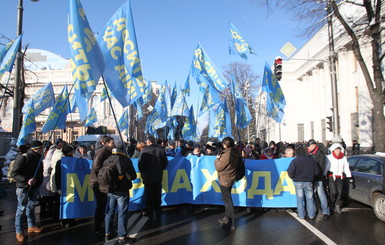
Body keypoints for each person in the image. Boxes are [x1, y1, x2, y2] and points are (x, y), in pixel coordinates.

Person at [10, 140, 44, 242]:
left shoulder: (38, 157)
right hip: (23, 187)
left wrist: (38, 181)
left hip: (34, 186)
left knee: (31, 206)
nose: (43, 150)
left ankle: (31, 225)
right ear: (36, 149)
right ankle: (19, 231)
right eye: (41, 148)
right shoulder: (23, 157)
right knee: (21, 209)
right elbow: (14, 174)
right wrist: (27, 180)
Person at [104, 143, 137, 244]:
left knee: (109, 211)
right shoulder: (125, 160)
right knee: (122, 212)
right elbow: (132, 176)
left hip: (110, 189)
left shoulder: (108, 159)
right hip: (121, 190)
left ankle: (108, 233)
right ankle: (122, 235)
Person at [89, 136, 115, 236]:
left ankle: (104, 225)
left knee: (104, 205)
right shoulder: (102, 152)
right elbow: (96, 167)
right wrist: (109, 170)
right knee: (100, 206)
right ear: (106, 143)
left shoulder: (107, 152)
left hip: (102, 182)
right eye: (112, 143)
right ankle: (97, 228)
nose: (114, 145)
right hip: (98, 183)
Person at [287, 147, 321, 220]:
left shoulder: (294, 161)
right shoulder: (311, 160)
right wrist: (312, 176)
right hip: (309, 181)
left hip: (298, 181)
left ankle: (301, 215)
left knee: (300, 199)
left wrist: (294, 177)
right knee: (310, 198)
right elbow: (317, 172)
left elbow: (290, 172)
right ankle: (311, 215)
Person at [139, 135, 168, 216]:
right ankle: (157, 208)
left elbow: (141, 163)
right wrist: (160, 169)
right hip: (158, 174)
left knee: (149, 193)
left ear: (148, 141)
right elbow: (165, 162)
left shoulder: (145, 150)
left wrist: (143, 172)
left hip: (148, 175)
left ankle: (149, 209)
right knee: (157, 192)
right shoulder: (161, 149)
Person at [215, 137, 239, 229]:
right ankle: (226, 217)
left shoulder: (227, 154)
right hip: (230, 177)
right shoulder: (235, 151)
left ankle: (232, 221)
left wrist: (217, 159)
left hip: (225, 178)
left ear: (226, 145)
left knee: (228, 201)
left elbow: (218, 167)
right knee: (227, 200)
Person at [307, 139, 331, 220]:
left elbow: (321, 167)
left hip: (318, 177)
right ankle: (313, 210)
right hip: (310, 177)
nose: (308, 148)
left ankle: (326, 212)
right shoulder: (309, 153)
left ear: (314, 145)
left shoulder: (320, 154)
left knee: (321, 194)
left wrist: (315, 174)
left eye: (309, 146)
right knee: (311, 195)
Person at [325, 143, 352, 214]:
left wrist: (349, 175)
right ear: (333, 150)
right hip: (331, 176)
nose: (337, 151)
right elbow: (326, 167)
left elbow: (346, 167)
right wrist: (324, 174)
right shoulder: (329, 157)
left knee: (339, 193)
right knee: (334, 192)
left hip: (340, 176)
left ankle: (337, 205)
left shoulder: (343, 158)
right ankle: (331, 203)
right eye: (336, 150)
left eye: (339, 149)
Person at [54, 145, 76, 227]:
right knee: (65, 204)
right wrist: (58, 187)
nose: (73, 153)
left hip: (72, 184)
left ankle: (71, 218)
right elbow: (57, 176)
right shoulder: (60, 162)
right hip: (65, 185)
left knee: (71, 203)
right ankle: (65, 220)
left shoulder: (74, 160)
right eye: (71, 151)